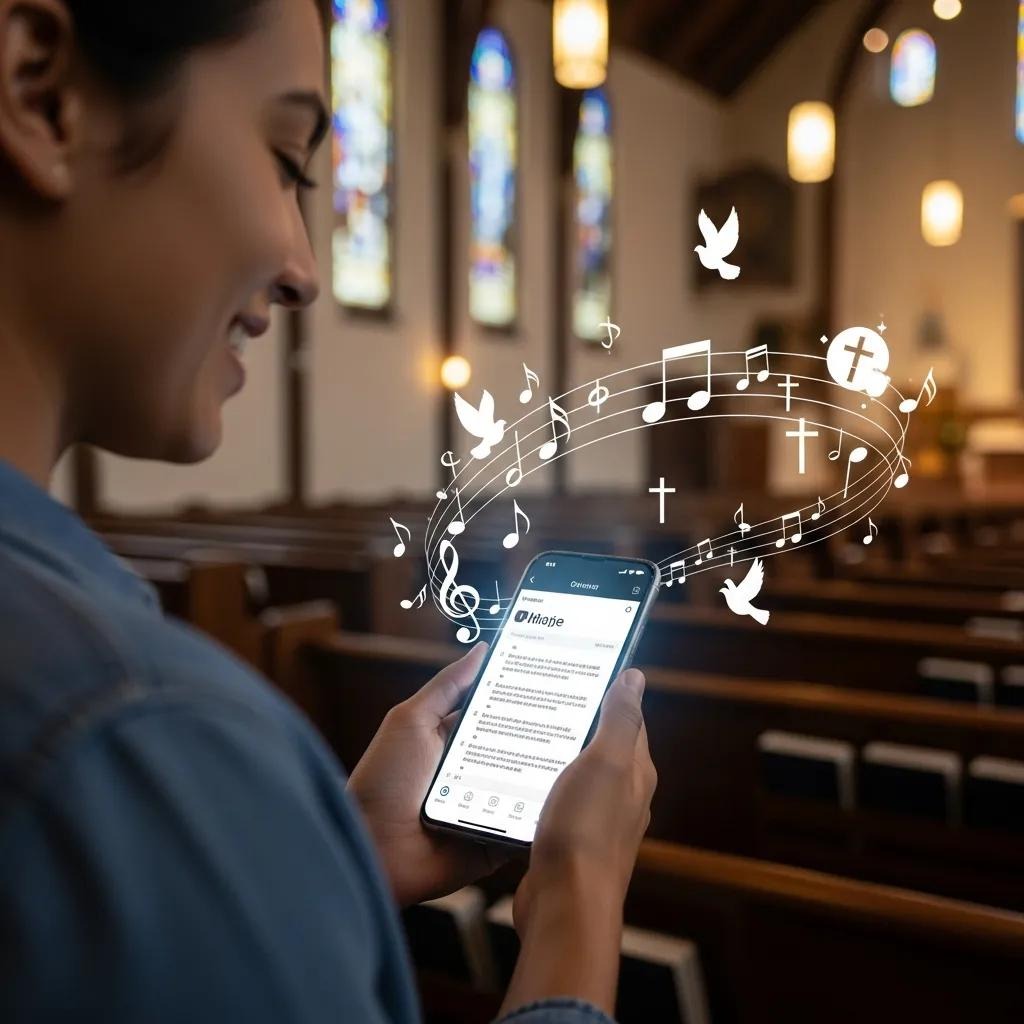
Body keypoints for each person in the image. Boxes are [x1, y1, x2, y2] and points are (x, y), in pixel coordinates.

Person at [0, 1, 658, 1021]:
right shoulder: (132, 737)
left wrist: (338, 850)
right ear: (41, 94)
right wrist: (576, 907)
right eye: (286, 158)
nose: (305, 266)